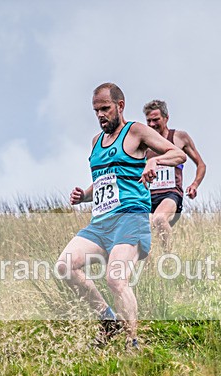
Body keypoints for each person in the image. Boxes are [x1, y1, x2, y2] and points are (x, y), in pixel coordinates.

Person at [56, 83, 186, 348]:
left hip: (130, 218)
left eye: (105, 108)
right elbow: (106, 181)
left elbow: (177, 153)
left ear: (120, 106)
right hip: (100, 223)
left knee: (116, 278)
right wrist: (84, 196)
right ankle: (107, 320)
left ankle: (133, 342)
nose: (101, 115)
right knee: (65, 266)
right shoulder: (96, 142)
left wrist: (154, 161)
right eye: (96, 111)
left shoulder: (136, 131)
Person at [143, 99, 207, 250]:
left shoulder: (179, 138)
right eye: (148, 121)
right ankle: (149, 263)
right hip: (147, 195)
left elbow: (201, 164)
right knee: (141, 225)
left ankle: (169, 257)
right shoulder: (143, 143)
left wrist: (194, 184)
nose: (152, 124)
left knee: (159, 218)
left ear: (166, 118)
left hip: (170, 194)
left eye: (156, 120)